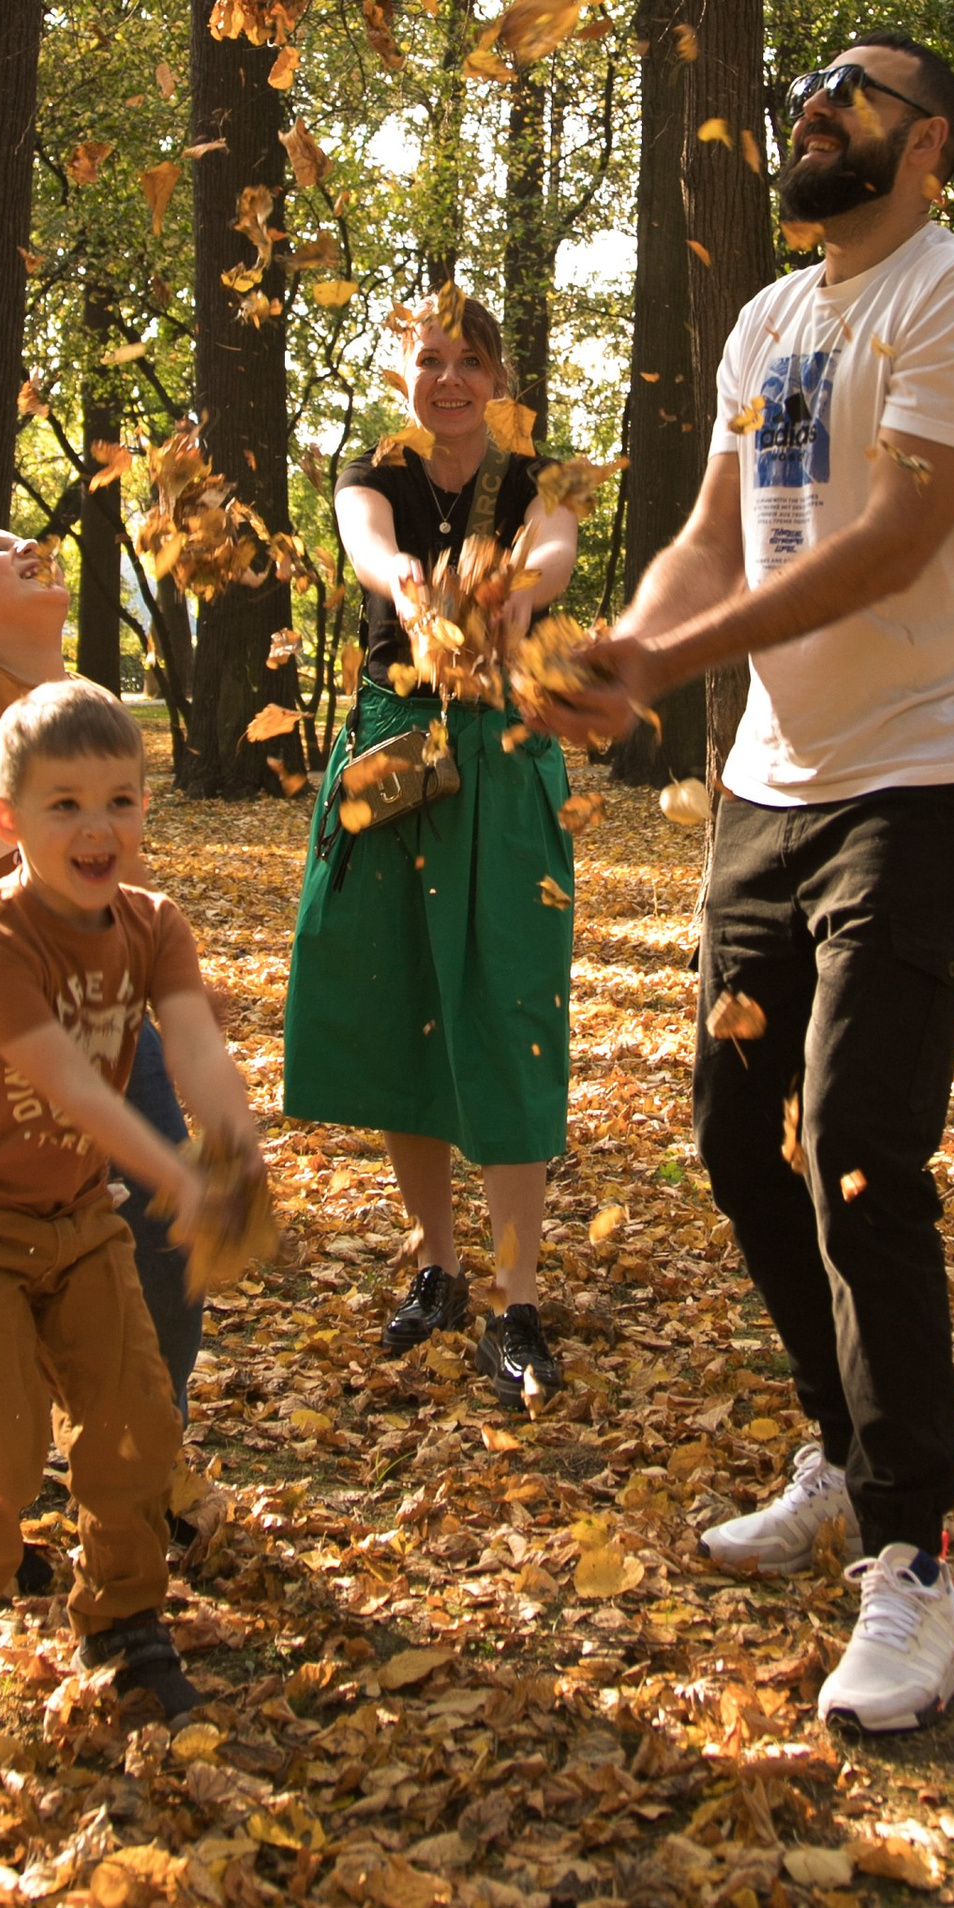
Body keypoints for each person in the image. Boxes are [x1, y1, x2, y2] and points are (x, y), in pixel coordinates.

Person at [536, 40, 954, 1736]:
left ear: (933, 147)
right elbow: (715, 528)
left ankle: (912, 1563)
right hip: (771, 787)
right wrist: (628, 643)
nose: (817, 104)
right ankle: (842, 1445)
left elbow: (898, 539)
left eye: (860, 90)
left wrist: (675, 654)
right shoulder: (767, 318)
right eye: (810, 88)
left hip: (929, 777)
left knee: (857, 1148)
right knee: (730, 1136)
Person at [0, 679, 265, 1757]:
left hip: (77, 1215)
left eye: (122, 803)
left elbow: (193, 1050)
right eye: (65, 806)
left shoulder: (153, 925)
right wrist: (182, 1183)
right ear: (6, 821)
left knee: (135, 1426)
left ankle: (124, 1623)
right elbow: (77, 1090)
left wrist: (233, 1150)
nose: (98, 830)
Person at [282, 287, 582, 1405]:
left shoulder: (536, 477)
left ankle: (516, 1299)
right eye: (427, 360)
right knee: (401, 995)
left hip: (504, 760)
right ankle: (437, 1269)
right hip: (394, 750)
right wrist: (412, 591)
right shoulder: (379, 472)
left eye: (467, 360)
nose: (447, 378)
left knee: (507, 1006)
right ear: (400, 378)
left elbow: (548, 555)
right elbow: (367, 546)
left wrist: (505, 596)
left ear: (498, 378)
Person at [0, 523, 203, 1417]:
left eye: (20, 535)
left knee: (157, 1239)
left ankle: (150, 1454)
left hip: (107, 1021)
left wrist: (164, 988)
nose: (25, 540)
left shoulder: (91, 701)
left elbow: (124, 878)